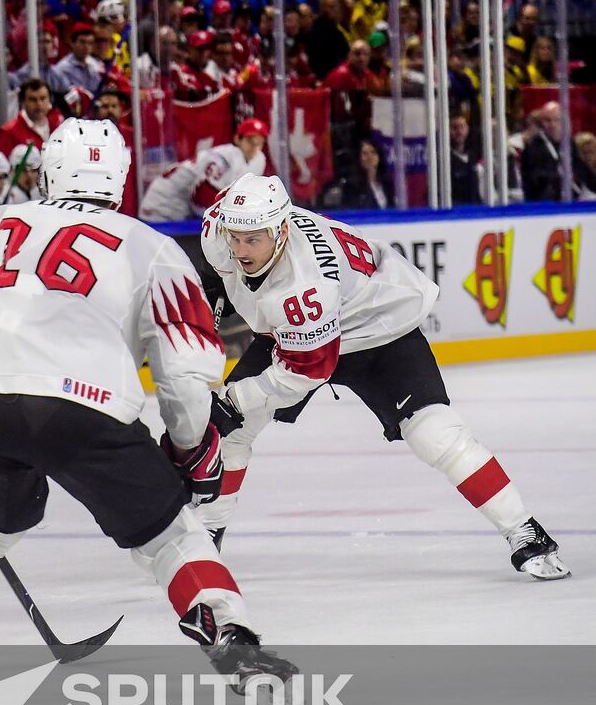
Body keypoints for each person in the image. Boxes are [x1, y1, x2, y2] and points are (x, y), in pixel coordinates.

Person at [0, 118, 295, 705]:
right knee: (169, 533)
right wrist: (190, 451)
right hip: (83, 404)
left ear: (47, 171)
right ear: (120, 177)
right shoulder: (153, 247)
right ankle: (230, 637)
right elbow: (186, 371)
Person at [197, 173, 569, 580]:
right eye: (235, 237)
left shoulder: (306, 286)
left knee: (436, 434)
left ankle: (524, 529)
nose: (241, 248)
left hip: (376, 328)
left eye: (253, 239)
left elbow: (305, 371)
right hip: (297, 333)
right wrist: (219, 281)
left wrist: (235, 400)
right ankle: (206, 535)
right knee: (231, 434)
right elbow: (228, 255)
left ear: (282, 230)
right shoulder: (220, 225)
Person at [140, 117, 269, 222]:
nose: (255, 147)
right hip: (162, 204)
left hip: (183, 206)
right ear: (237, 139)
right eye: (250, 141)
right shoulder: (221, 159)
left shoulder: (258, 159)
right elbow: (200, 199)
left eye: (260, 142)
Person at [521, 101, 596, 201]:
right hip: (543, 205)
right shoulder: (534, 147)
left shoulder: (568, 143)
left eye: (557, 120)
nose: (553, 125)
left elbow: (582, 171)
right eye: (548, 120)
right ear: (542, 123)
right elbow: (538, 180)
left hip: (571, 200)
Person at [0, 78, 64, 159]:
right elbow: (2, 169)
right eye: (33, 100)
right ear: (23, 102)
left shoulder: (60, 125)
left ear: (49, 99)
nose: (39, 104)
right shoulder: (8, 132)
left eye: (43, 98)